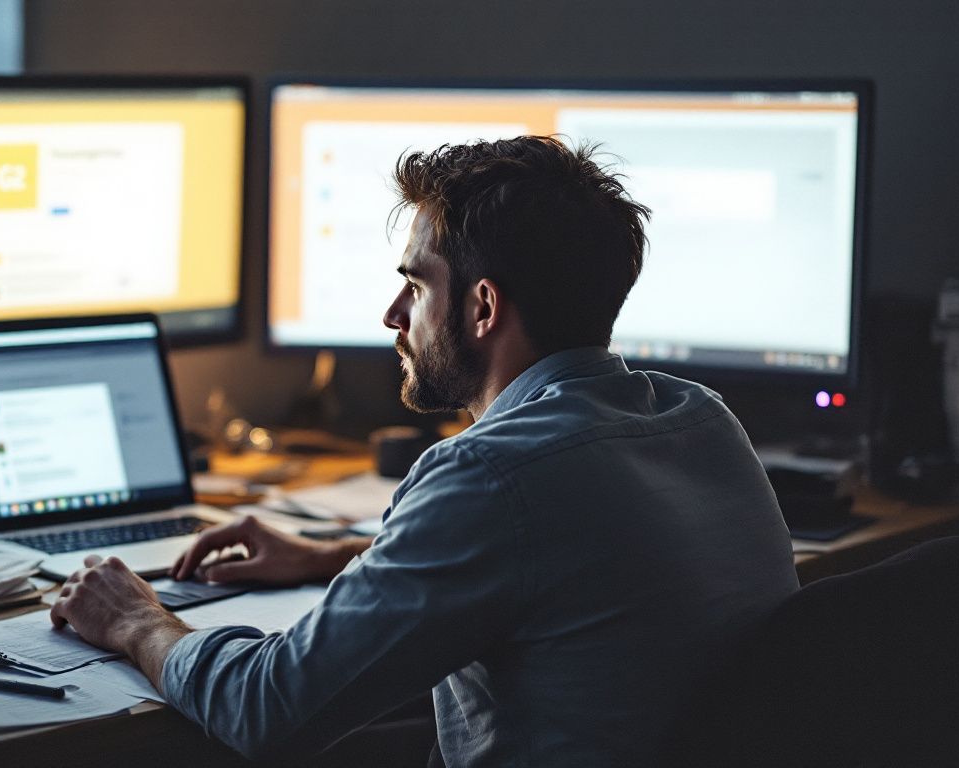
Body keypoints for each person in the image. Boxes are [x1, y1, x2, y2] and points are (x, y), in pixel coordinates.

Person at [51, 137, 799, 766]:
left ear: (482, 307)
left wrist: (137, 622)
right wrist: (335, 556)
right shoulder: (700, 417)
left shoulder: (487, 476)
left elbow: (266, 708)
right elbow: (550, 559)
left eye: (415, 284)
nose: (392, 315)